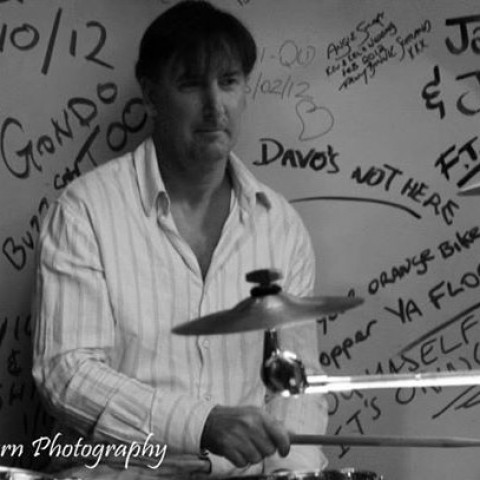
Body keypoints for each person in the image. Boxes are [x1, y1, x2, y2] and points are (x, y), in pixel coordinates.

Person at [32, 1, 328, 478]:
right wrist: (200, 424)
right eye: (191, 84)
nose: (215, 105)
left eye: (228, 82)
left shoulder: (281, 226)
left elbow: (295, 385)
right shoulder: (86, 211)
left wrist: (292, 473)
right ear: (151, 96)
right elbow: (66, 373)